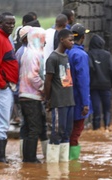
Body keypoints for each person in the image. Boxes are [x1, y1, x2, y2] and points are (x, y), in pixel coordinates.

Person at [44, 29, 75, 163]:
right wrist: (48, 100)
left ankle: (63, 166)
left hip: (69, 100)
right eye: (70, 39)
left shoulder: (66, 57)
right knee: (57, 132)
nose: (72, 42)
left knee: (67, 132)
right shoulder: (53, 58)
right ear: (62, 39)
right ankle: (52, 167)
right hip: (59, 101)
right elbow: (48, 81)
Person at [19, 27, 47, 163]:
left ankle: (27, 157)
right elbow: (32, 76)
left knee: (30, 127)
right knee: (34, 128)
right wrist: (44, 88)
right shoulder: (34, 54)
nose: (45, 42)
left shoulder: (29, 52)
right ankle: (30, 159)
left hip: (26, 94)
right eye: (43, 39)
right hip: (31, 95)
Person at [66, 23, 91, 160]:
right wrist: (86, 103)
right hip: (78, 99)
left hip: (65, 99)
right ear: (83, 37)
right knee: (75, 132)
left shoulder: (65, 51)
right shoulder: (81, 55)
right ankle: (73, 164)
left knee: (66, 132)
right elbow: (83, 81)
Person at [0, 12, 19, 163]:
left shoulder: (4, 38)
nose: (11, 26)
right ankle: (0, 158)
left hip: (5, 86)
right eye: (7, 23)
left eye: (13, 23)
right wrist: (2, 83)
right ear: (0, 23)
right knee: (2, 123)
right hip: (1, 88)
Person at [88, 34, 112, 130]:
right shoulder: (107, 55)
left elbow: (90, 68)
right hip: (106, 86)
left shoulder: (89, 54)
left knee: (96, 110)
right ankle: (107, 128)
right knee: (107, 109)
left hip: (93, 87)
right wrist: (111, 83)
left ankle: (96, 129)